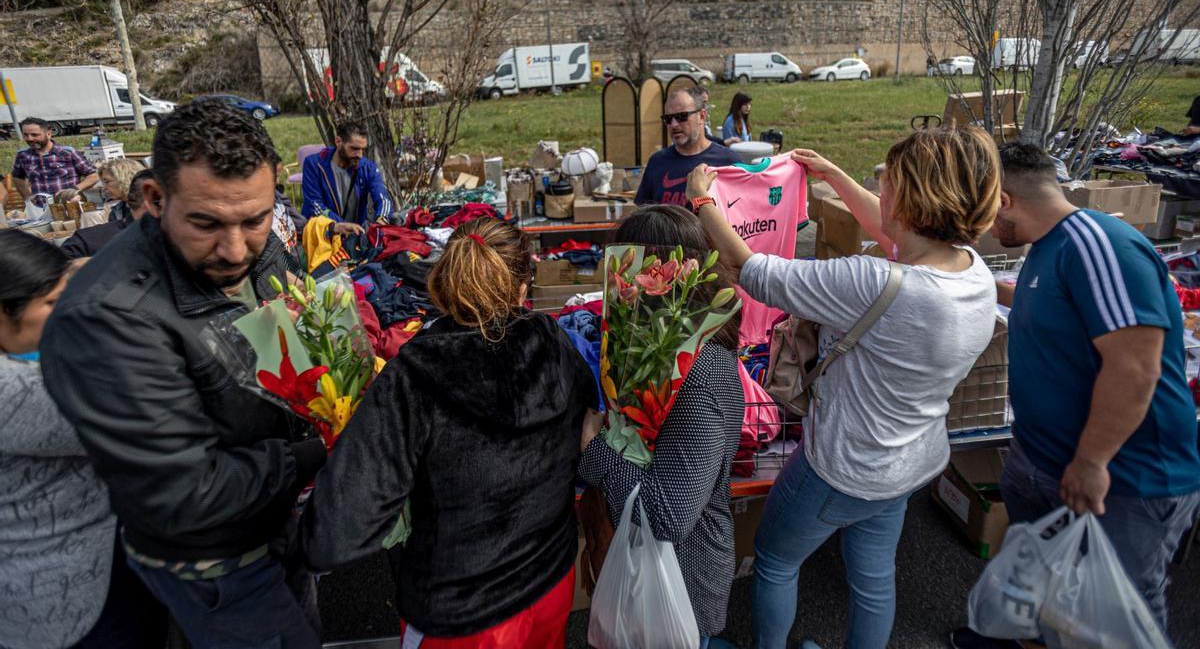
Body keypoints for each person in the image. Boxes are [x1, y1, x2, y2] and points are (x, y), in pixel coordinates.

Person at [687, 126, 1002, 649]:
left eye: (890, 181)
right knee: (874, 577)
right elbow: (895, 235)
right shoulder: (973, 274)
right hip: (910, 460)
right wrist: (833, 175)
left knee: (776, 559)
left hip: (841, 466)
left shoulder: (876, 282)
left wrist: (702, 200)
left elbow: (752, 270)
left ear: (915, 198)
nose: (881, 186)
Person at [41, 99, 327, 649]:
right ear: (154, 199)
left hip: (276, 520)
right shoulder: (107, 319)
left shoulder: (257, 250)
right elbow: (185, 496)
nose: (235, 249)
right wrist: (323, 447)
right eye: (207, 224)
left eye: (255, 219)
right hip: (215, 562)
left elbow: (288, 336)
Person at [950, 143, 1200, 649]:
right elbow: (1057, 308)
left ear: (1002, 200)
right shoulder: (1051, 246)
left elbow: (1134, 366)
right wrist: (979, 282)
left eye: (980, 213)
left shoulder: (1099, 245)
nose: (980, 228)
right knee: (1048, 577)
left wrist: (1091, 461)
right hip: (1046, 459)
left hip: (1124, 478)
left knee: (1112, 616)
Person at [302, 217, 594, 648]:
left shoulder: (416, 373)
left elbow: (333, 535)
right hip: (550, 585)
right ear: (521, 289)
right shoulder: (552, 339)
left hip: (463, 614)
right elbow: (587, 429)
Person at [578, 205, 745, 647]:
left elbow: (667, 515)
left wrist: (594, 449)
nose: (617, 284)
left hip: (679, 586)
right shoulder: (654, 348)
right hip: (641, 571)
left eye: (626, 270)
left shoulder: (700, 371)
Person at [0, 229, 166, 648]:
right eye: (53, 304)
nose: (67, 311)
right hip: (67, 595)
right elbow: (145, 415)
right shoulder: (16, 392)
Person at [635, 88, 738, 207]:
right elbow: (642, 213)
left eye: (681, 116)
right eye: (668, 119)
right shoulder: (657, 162)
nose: (673, 124)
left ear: (702, 116)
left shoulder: (728, 162)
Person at [301, 120, 394, 234]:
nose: (360, 155)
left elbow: (383, 198)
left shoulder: (367, 167)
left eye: (362, 149)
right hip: (323, 235)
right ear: (338, 141)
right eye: (354, 148)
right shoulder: (314, 164)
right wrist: (341, 225)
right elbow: (314, 205)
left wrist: (382, 220)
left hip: (355, 235)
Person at [60, 168, 154, 259]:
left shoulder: (84, 240)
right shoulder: (116, 210)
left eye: (107, 181)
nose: (103, 188)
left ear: (123, 178)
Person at [8, 117, 99, 202]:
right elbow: (17, 177)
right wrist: (28, 198)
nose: (30, 138)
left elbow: (94, 175)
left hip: (70, 204)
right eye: (26, 135)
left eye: (34, 135)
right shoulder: (23, 155)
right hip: (41, 208)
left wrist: (74, 189)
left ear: (49, 134)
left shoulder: (68, 152)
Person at [97, 157, 147, 222]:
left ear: (125, 179)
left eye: (107, 182)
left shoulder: (156, 206)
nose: (104, 188)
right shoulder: (116, 212)